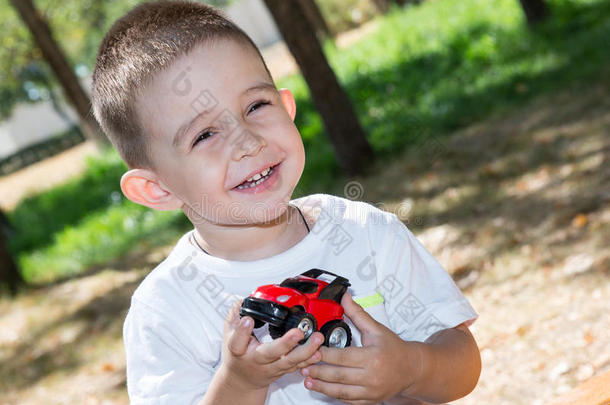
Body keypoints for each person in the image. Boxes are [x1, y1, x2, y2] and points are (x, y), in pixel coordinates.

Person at [90, 1, 481, 404]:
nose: (248, 141)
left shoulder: (365, 232)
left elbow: (462, 361)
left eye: (256, 106)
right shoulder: (166, 310)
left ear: (287, 107)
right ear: (157, 189)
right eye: (204, 135)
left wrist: (412, 367)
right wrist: (241, 383)